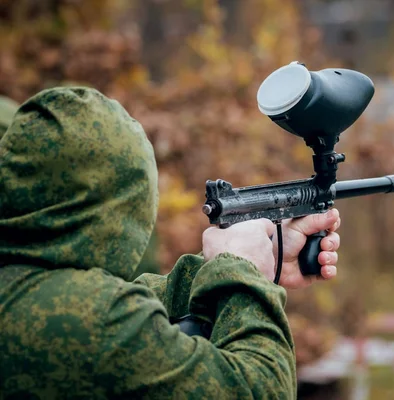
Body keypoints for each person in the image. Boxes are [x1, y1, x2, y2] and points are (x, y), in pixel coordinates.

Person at [0, 87, 342, 399]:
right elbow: (262, 389)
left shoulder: (25, 288)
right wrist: (245, 274)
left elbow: (127, 304)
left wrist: (225, 268)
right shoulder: (90, 321)